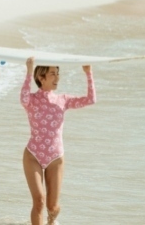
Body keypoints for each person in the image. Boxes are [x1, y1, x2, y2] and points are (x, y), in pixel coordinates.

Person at [21, 57, 95, 225]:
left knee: (52, 207)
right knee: (39, 200)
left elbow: (91, 99)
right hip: (33, 155)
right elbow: (23, 99)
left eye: (58, 73)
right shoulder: (31, 100)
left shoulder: (63, 100)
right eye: (53, 74)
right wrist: (28, 71)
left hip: (56, 158)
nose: (57, 78)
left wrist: (88, 73)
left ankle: (51, 221)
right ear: (41, 77)